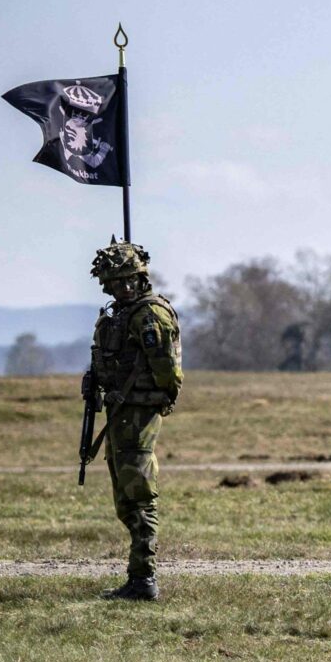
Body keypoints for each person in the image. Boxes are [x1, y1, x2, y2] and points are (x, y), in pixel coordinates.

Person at [87, 240, 182, 599]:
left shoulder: (149, 315)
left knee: (139, 495)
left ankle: (143, 579)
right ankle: (138, 577)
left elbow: (166, 369)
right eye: (117, 283)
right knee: (125, 498)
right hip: (121, 412)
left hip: (137, 412)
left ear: (142, 277)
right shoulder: (119, 316)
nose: (124, 287)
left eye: (130, 280)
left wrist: (159, 397)